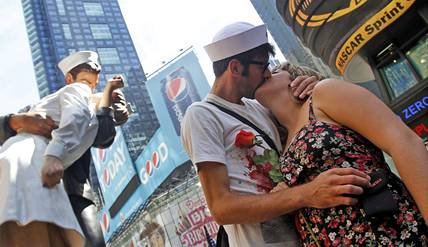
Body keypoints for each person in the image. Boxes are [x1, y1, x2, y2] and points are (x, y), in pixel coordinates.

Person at [180, 22, 371, 247]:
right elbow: (222, 209)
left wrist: (313, 86)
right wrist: (308, 193)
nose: (268, 73)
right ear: (235, 68)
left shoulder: (259, 107)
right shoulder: (202, 115)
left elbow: (303, 130)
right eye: (262, 66)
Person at [254, 62, 428, 246]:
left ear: (296, 78)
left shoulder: (323, 94)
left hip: (390, 233)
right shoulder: (281, 145)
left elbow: (403, 142)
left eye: (274, 71)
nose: (266, 73)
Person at [0, 51, 125, 247]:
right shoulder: (49, 104)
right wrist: (18, 120)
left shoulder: (92, 106)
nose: (89, 86)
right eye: (85, 78)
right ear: (69, 79)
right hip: (35, 177)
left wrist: (110, 109)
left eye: (94, 81)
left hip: (73, 192)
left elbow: (102, 135)